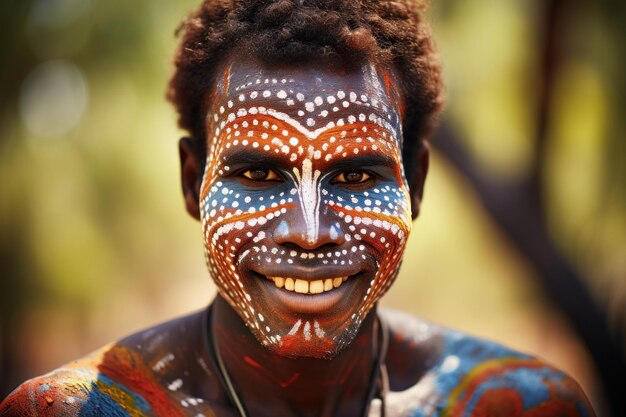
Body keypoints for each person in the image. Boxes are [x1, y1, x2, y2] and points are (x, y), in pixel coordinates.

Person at [1, 0, 596, 416]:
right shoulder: (76, 411)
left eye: (357, 175)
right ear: (192, 181)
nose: (309, 234)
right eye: (258, 174)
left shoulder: (520, 406)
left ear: (415, 184)